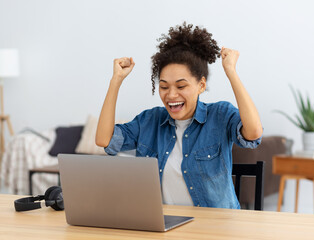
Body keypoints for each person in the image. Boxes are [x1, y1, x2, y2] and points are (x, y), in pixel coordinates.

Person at [96, 22, 263, 209]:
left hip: (217, 229)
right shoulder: (149, 121)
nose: (171, 95)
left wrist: (231, 71)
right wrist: (115, 81)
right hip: (165, 228)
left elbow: (254, 132)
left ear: (201, 85)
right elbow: (104, 140)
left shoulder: (220, 115)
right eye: (164, 86)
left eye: (181, 86)